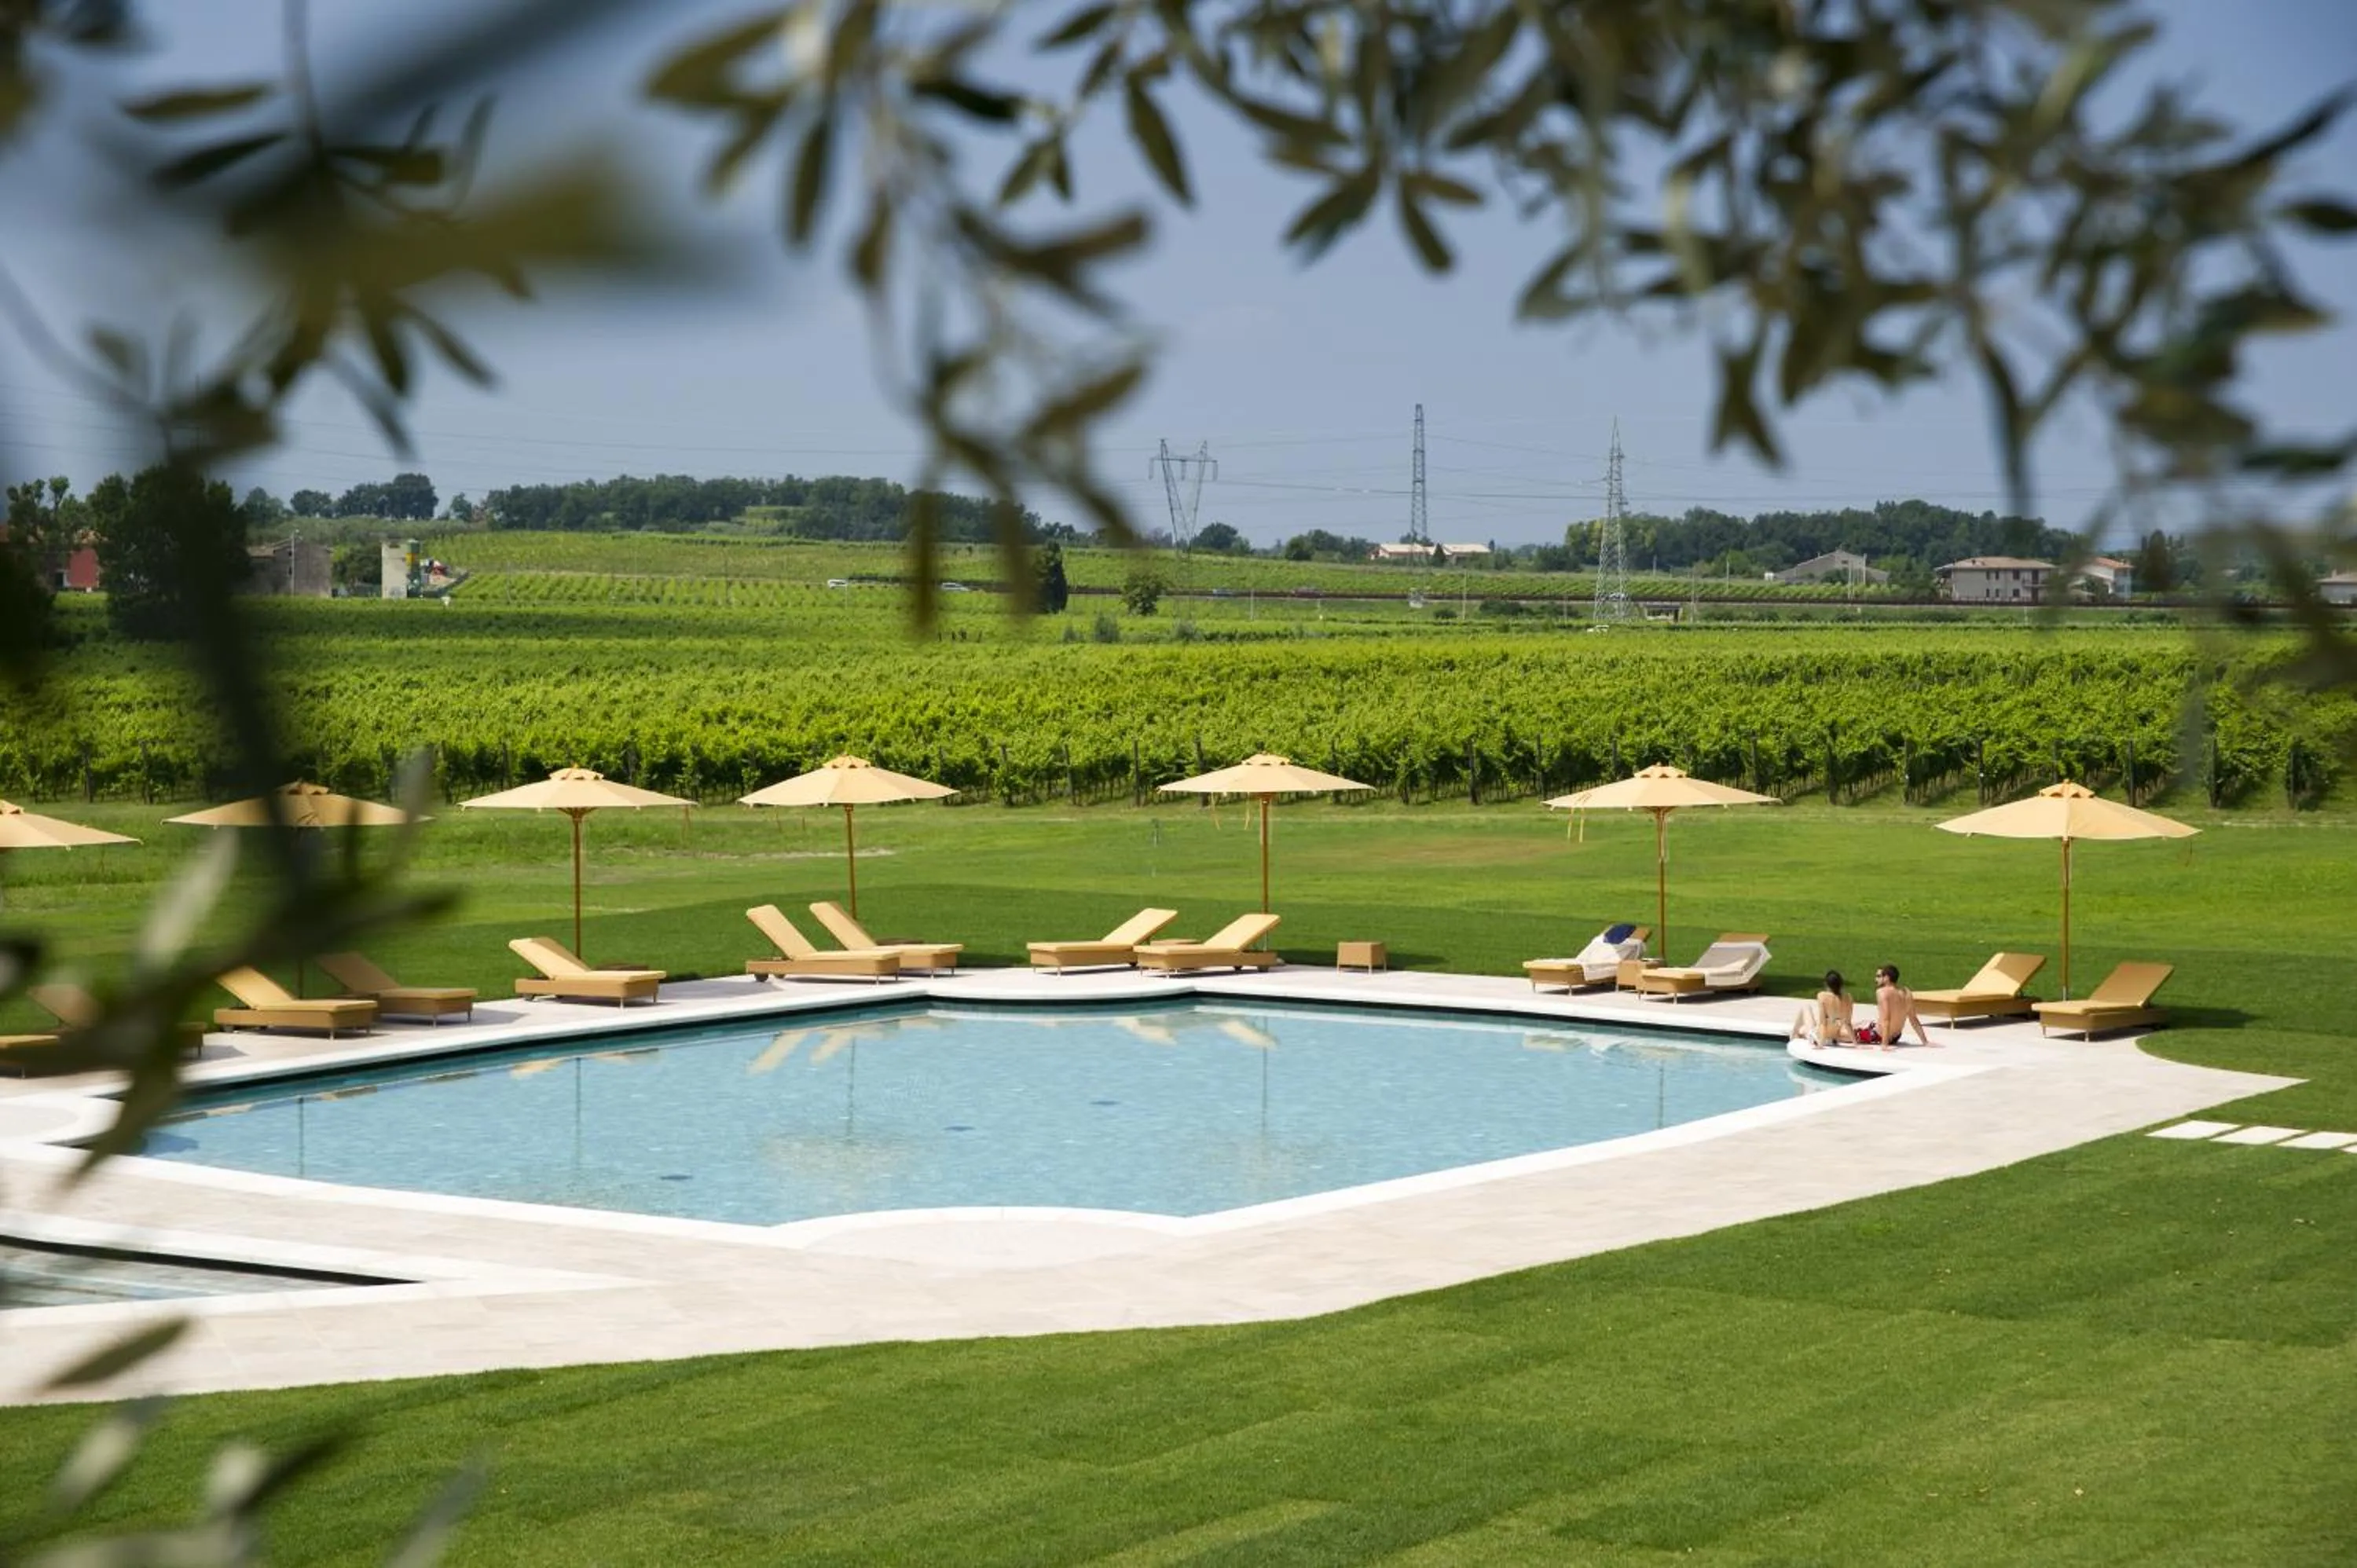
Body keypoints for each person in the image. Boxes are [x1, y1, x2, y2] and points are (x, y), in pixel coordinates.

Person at [1874, 964, 1933, 1050]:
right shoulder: (1906, 993)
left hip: (1879, 1036)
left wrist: (1884, 1044)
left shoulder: (1882, 992)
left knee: (1848, 1033)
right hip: (1896, 1037)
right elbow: (1914, 1019)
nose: (1876, 979)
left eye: (1880, 976)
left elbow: (1886, 1020)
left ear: (1886, 978)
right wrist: (1925, 1042)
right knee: (1863, 1023)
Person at [1791, 970, 1857, 1046]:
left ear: (1827, 984)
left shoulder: (1822, 996)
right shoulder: (1848, 998)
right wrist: (1856, 1044)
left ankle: (1792, 1036)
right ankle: (1796, 1034)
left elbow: (1823, 1023)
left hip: (1820, 1038)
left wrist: (1820, 1044)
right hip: (1833, 1040)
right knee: (1803, 1031)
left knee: (1805, 1007)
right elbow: (1848, 1024)